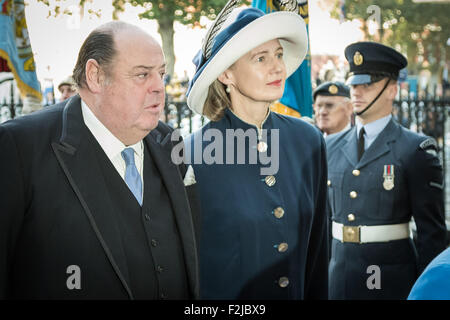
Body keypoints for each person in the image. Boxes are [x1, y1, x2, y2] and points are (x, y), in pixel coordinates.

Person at [0, 21, 200, 299]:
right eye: (142, 75)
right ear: (95, 76)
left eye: (161, 74)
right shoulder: (19, 148)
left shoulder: (170, 143)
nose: (159, 87)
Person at [184, 4, 328, 299]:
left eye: (277, 55)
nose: (277, 67)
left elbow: (318, 254)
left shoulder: (308, 140)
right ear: (226, 74)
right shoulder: (191, 155)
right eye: (260, 58)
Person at [326, 41, 447, 300]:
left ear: (392, 90)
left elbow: (431, 235)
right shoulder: (330, 147)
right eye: (354, 84)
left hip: (389, 278)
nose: (356, 91)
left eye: (367, 84)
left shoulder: (415, 150)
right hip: (339, 276)